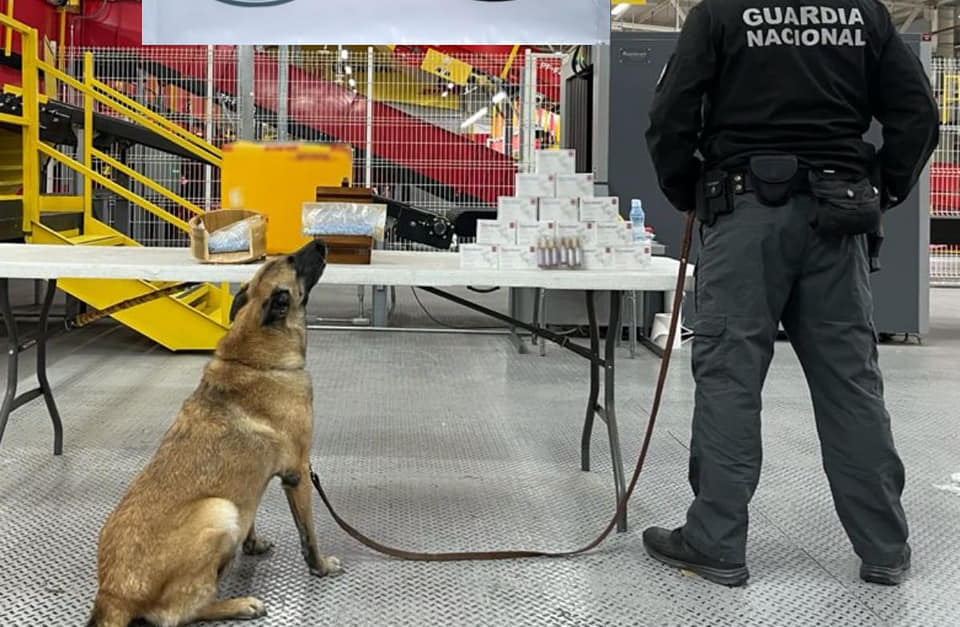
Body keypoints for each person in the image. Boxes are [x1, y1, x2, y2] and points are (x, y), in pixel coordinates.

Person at [643, 0, 939, 587]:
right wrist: (884, 187)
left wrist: (687, 191)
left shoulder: (721, 12)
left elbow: (671, 115)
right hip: (839, 214)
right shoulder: (864, 14)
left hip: (745, 212)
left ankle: (716, 541)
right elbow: (918, 115)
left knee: (730, 377)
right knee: (850, 381)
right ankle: (883, 545)